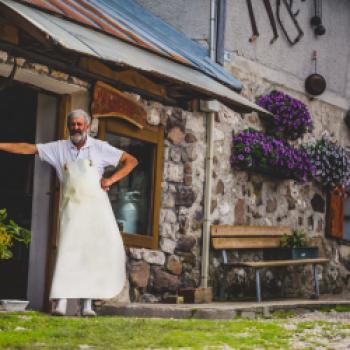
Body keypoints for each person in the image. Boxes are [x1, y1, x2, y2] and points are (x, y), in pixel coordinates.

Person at [0, 109, 138, 316]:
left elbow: (131, 161)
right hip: (71, 208)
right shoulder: (58, 148)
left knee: (90, 254)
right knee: (67, 251)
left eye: (80, 124)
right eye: (72, 124)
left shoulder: (100, 148)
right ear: (68, 126)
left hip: (95, 209)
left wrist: (110, 180)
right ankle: (62, 302)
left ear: (88, 127)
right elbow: (29, 148)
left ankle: (87, 305)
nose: (76, 128)